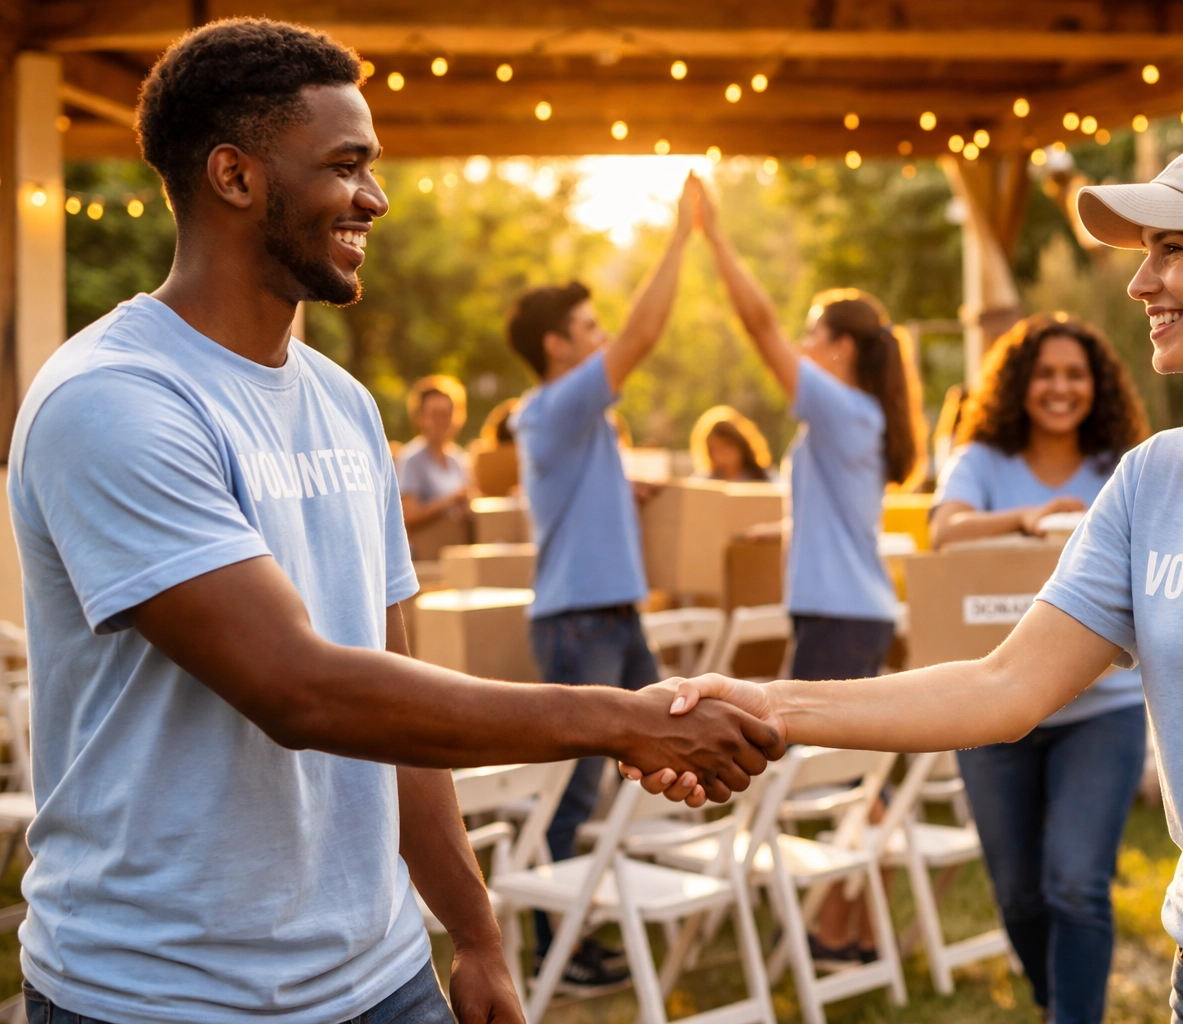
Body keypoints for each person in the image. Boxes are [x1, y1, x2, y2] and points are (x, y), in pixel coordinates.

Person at [651, 131, 1183, 1023]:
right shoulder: (1154, 481)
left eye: (1172, 250)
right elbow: (1002, 686)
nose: (1141, 282)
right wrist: (770, 705)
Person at [7, 22, 780, 1024]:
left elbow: (393, 698)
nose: (375, 197)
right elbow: (301, 689)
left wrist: (475, 930)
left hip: (382, 976)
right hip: (159, 996)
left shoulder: (343, 405)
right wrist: (624, 718)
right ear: (234, 176)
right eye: (345, 165)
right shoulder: (114, 399)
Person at [699, 189, 924, 962]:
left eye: (812, 334)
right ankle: (855, 928)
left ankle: (841, 926)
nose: (799, 342)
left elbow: (759, 326)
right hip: (848, 609)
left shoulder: (841, 409)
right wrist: (780, 532)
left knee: (827, 779)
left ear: (840, 348)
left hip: (838, 614)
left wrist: (715, 236)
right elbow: (835, 510)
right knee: (843, 774)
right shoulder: (861, 417)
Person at [929, 313, 1150, 1023]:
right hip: (991, 711)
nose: (1061, 388)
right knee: (1020, 895)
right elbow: (944, 528)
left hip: (1101, 709)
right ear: (1019, 384)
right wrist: (1027, 520)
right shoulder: (982, 460)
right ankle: (1060, 1004)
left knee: (1076, 884)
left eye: (1075, 375)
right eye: (1045, 374)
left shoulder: (1121, 466)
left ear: (1096, 385)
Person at [507, 174, 700, 985]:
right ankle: (555, 946)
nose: (606, 334)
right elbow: (647, 331)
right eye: (590, 327)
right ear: (557, 345)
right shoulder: (554, 406)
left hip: (613, 617)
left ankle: (614, 916)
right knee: (575, 791)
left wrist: (627, 489)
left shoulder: (578, 420)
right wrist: (682, 233)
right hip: (580, 621)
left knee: (666, 757)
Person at [396, 373, 474, 557]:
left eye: (446, 414)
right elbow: (407, 515)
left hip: (455, 551)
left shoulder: (458, 458)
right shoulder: (411, 459)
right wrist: (450, 501)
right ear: (420, 417)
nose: (441, 421)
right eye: (434, 415)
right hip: (425, 556)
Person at [691, 405, 772, 482]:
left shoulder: (762, 477)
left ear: (741, 445)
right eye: (715, 449)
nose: (722, 454)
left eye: (726, 445)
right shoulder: (704, 480)